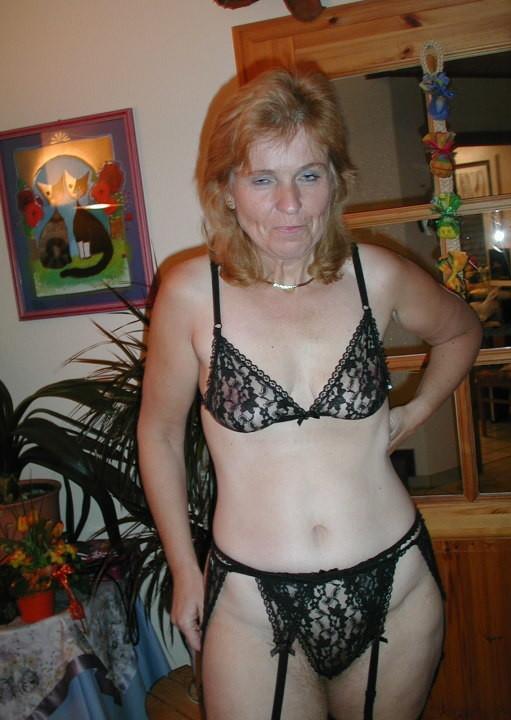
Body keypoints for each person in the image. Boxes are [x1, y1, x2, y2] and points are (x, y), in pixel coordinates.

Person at [137, 69, 482, 720]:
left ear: (336, 181)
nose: (290, 203)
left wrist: (416, 411)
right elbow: (157, 433)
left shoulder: (376, 275)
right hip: (250, 600)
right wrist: (184, 569)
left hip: (396, 586)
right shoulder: (189, 293)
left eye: (309, 174)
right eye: (263, 179)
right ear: (226, 189)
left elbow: (462, 331)